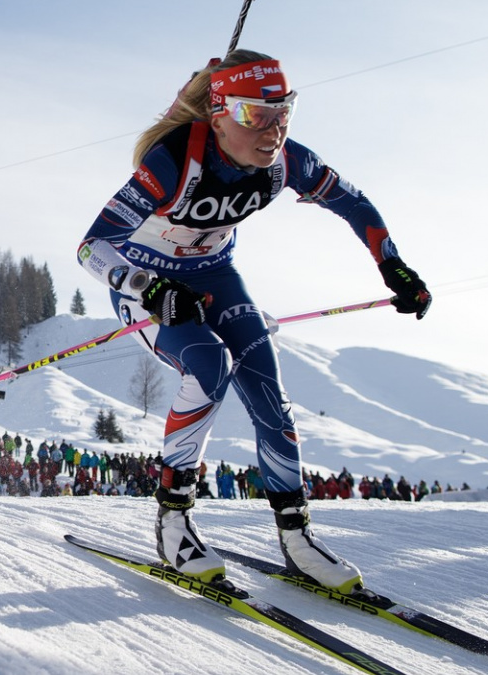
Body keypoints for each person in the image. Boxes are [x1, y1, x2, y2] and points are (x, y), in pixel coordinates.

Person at [76, 50, 431, 591]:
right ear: (219, 117)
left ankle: (297, 537)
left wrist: (394, 266)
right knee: (208, 367)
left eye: (283, 112)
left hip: (216, 277)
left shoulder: (286, 161)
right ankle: (173, 519)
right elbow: (92, 247)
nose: (272, 131)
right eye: (254, 116)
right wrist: (151, 288)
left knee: (268, 390)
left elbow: (353, 202)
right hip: (150, 284)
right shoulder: (174, 161)